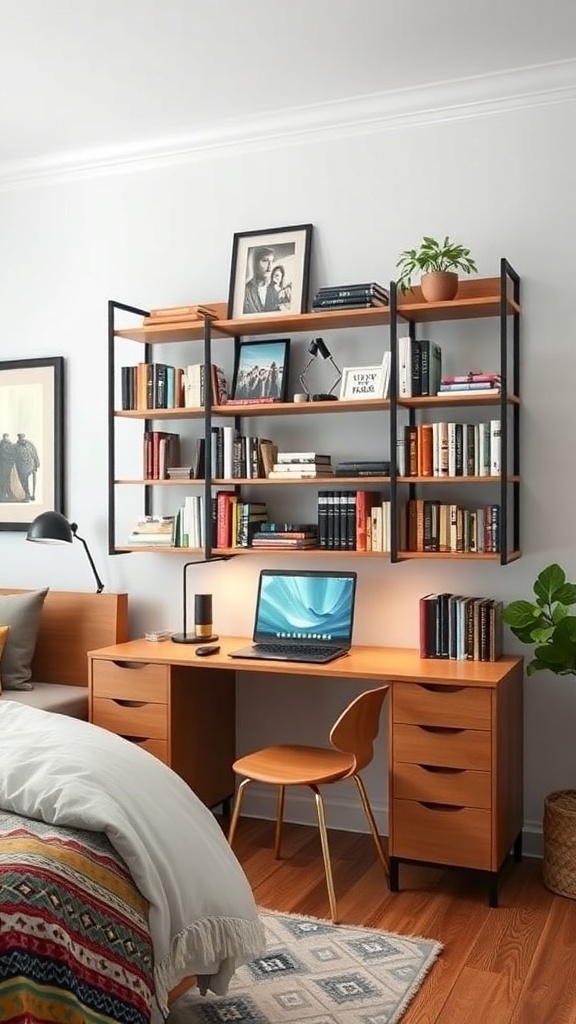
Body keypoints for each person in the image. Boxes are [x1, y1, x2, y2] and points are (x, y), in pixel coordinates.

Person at [243, 246, 281, 314]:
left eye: (272, 261)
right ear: (255, 263)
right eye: (265, 261)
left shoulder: (276, 289)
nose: (270, 266)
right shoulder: (246, 290)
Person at [14, 433, 40, 501]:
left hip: (31, 465)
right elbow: (15, 457)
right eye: (20, 437)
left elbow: (34, 453)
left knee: (29, 480)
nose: (21, 438)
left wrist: (37, 462)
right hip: (22, 466)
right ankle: (27, 495)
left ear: (24, 437)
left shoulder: (29, 444)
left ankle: (33, 495)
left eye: (22, 437)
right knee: (24, 481)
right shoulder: (16, 446)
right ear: (18, 438)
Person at [0, 433, 15, 500]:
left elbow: (12, 453)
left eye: (7, 437)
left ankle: (8, 494)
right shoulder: (1, 444)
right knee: (3, 479)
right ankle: (3, 494)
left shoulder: (10, 444)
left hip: (8, 464)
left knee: (7, 479)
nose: (6, 438)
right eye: (5, 437)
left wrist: (11, 461)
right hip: (2, 464)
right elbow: (3, 454)